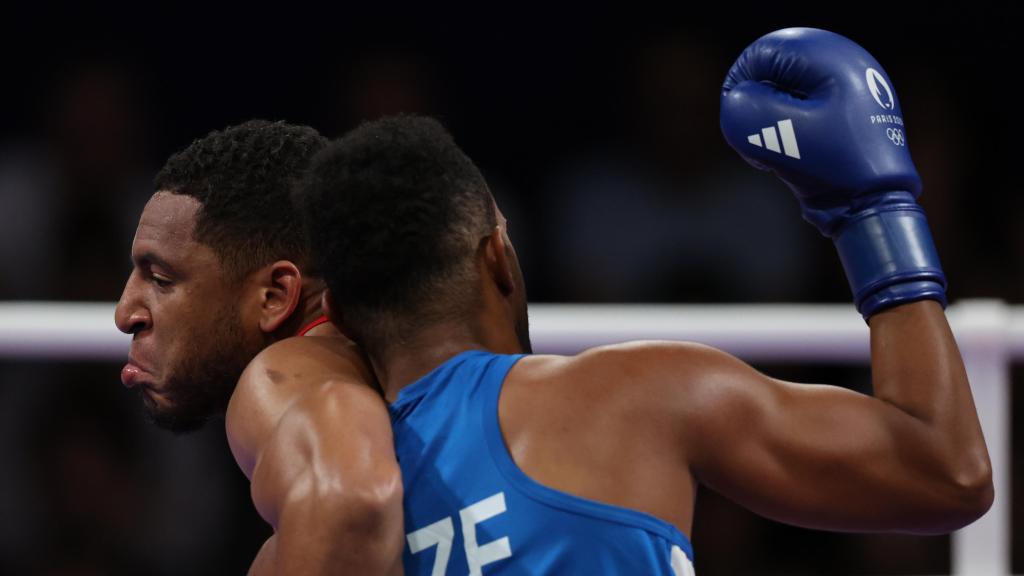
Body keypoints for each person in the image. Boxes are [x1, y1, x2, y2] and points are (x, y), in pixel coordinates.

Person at [301, 28, 993, 574]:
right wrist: (872, 212)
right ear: (497, 260)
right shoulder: (631, 395)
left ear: (341, 314)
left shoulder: (310, 516)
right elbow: (946, 472)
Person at [114, 120, 403, 574]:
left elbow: (353, 503)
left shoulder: (279, 377)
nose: (125, 312)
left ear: (274, 296)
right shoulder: (411, 373)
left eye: (162, 279)